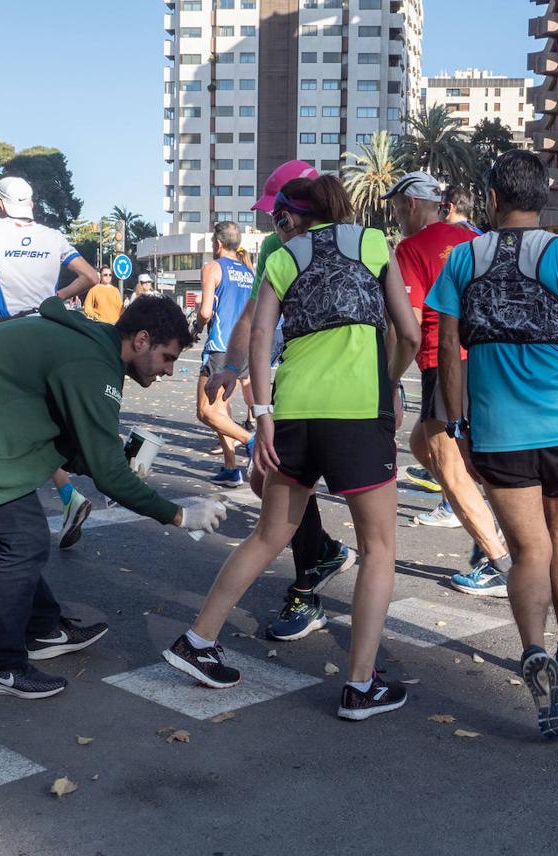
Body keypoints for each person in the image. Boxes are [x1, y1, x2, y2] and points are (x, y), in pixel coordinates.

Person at [165, 175, 421, 720]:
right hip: (359, 410)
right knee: (378, 549)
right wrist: (390, 382)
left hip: (296, 410)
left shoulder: (282, 257)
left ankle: (198, 639)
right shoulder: (373, 243)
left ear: (291, 217)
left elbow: (259, 336)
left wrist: (261, 416)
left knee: (267, 536)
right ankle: (359, 685)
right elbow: (410, 332)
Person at [0, 294, 227, 699]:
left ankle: (42, 629)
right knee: (23, 541)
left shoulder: (95, 347)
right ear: (142, 340)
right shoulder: (94, 365)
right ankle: (0, 668)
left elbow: (81, 443)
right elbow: (106, 473)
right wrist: (180, 515)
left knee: (26, 537)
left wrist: (107, 460)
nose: (169, 370)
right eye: (167, 357)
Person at [428, 149, 558, 739]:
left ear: (492, 198)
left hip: (498, 432)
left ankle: (533, 649)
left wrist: (456, 427)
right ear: (542, 198)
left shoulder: (462, 259)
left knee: (526, 548)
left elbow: (449, 356)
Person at [204, 159, 357, 643]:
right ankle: (320, 562)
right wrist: (234, 368)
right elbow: (254, 320)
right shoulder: (275, 248)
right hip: (297, 389)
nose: (280, 223)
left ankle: (315, 598)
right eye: (275, 215)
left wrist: (392, 387)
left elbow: (394, 325)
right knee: (269, 482)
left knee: (372, 531)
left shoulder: (359, 242)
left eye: (283, 213)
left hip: (353, 397)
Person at [386, 170, 513, 598]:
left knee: (450, 466)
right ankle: (506, 534)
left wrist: (388, 380)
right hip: (489, 360)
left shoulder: (411, 248)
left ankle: (501, 563)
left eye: (397, 205)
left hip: (445, 363)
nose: (396, 213)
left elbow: (410, 328)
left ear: (412, 204)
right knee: (424, 446)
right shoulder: (476, 240)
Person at [0, 176, 100, 550]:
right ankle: (66, 495)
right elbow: (89, 276)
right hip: (49, 328)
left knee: (9, 421)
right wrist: (54, 297)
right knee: (35, 419)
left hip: (11, 334)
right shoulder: (52, 235)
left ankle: (34, 498)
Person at [194, 221, 255, 487]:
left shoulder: (213, 268)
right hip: (245, 349)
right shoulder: (250, 272)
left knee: (206, 412)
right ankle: (231, 468)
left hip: (220, 347)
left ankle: (251, 441)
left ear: (217, 244)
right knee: (221, 410)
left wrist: (195, 327)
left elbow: (206, 311)